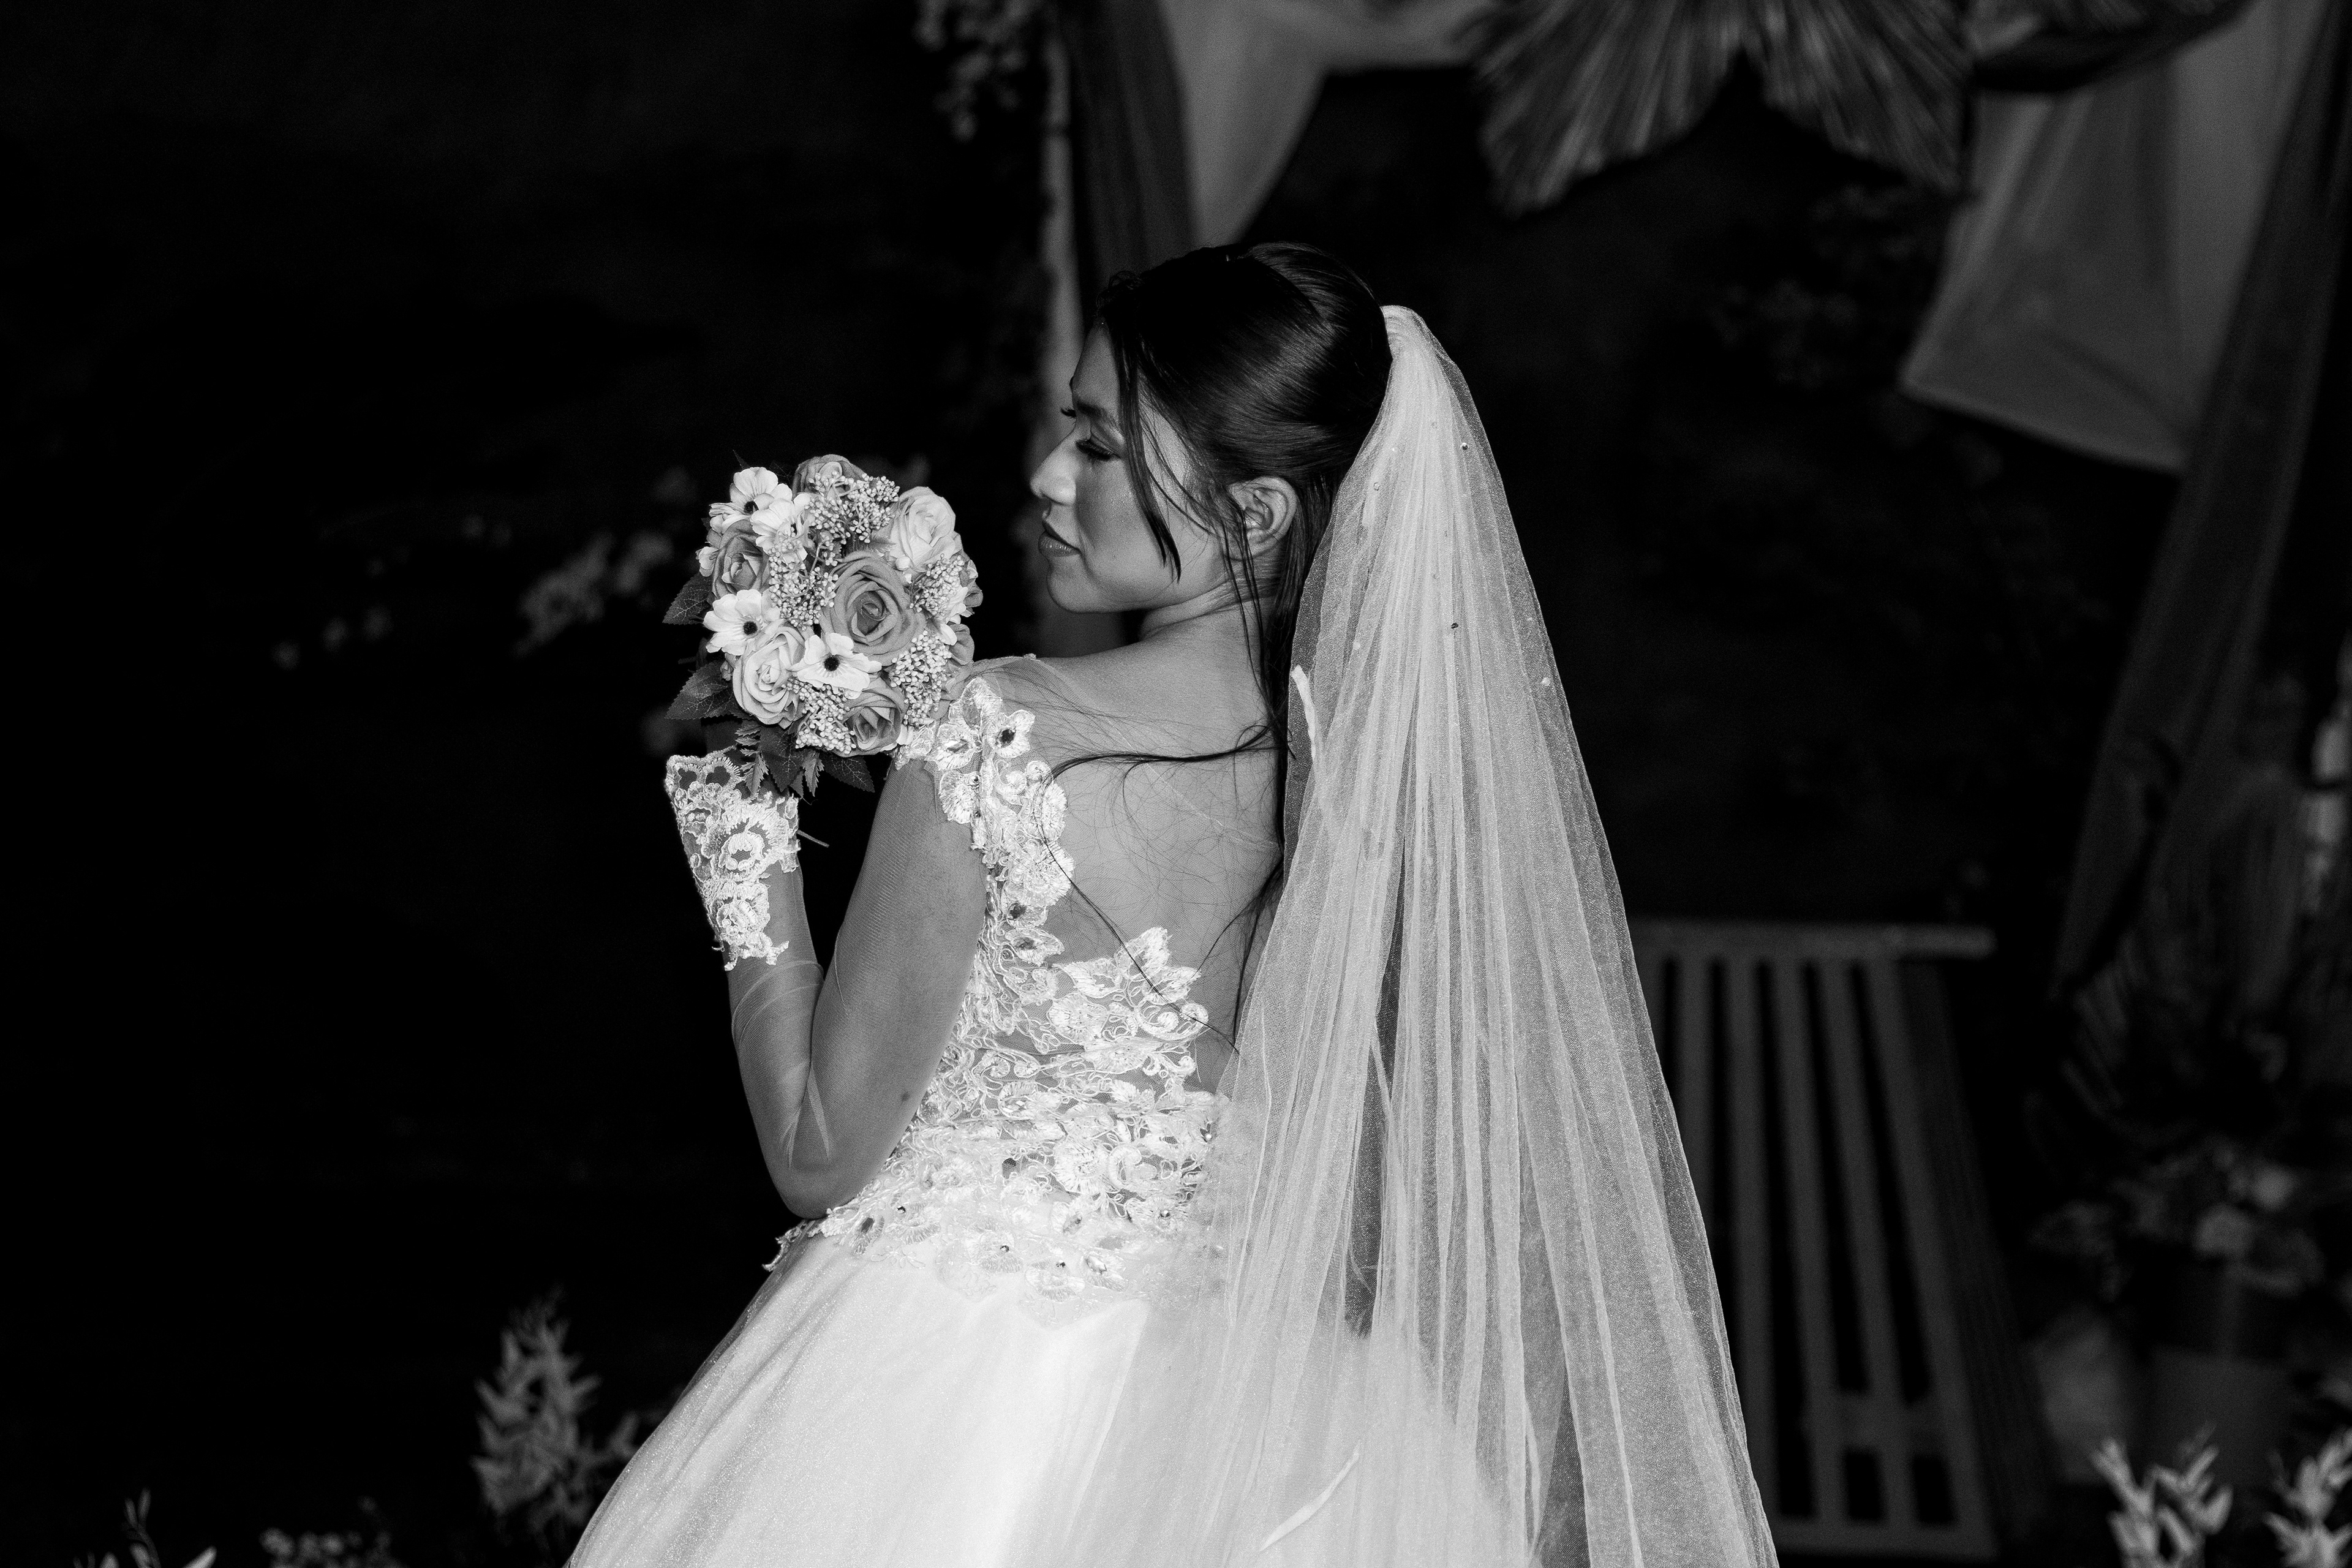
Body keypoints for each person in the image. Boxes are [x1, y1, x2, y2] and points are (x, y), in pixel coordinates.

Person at [571, 243, 1773, 1566]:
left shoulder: (1000, 735)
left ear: (1254, 516)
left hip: (957, 1391)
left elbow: (819, 1151)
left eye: (1098, 444)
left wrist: (745, 839)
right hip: (1285, 1419)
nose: (1050, 473)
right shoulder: (1384, 788)